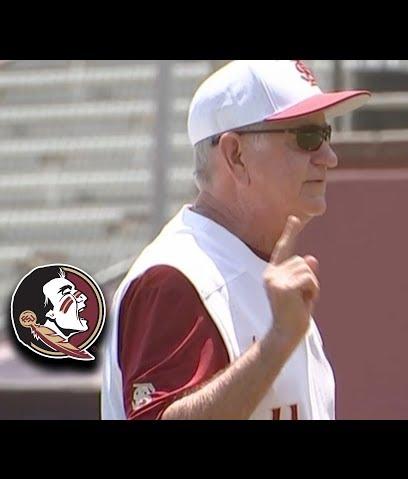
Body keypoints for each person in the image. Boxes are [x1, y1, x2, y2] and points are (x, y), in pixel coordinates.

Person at [101, 60, 370, 420]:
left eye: (326, 135)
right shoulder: (176, 276)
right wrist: (276, 343)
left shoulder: (260, 267)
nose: (329, 157)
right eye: (307, 137)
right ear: (235, 155)